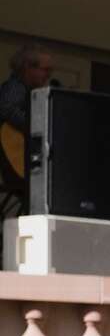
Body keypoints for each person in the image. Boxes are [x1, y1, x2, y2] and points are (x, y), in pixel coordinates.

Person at [1, 41, 54, 217]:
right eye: (45, 70)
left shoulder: (29, 91)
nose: (48, 76)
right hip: (15, 163)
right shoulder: (16, 87)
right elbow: (6, 109)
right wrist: (36, 127)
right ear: (27, 68)